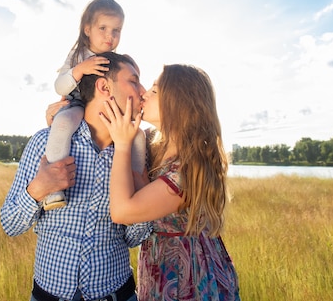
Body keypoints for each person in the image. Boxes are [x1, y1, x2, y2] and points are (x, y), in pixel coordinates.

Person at [0, 52, 151, 301]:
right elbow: (10, 225)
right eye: (134, 81)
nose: (143, 91)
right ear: (104, 86)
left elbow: (134, 239)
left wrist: (141, 199)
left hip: (118, 294)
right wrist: (38, 189)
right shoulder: (45, 143)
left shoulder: (137, 156)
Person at [99, 64, 241, 301]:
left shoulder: (189, 168)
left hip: (189, 277)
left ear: (178, 103)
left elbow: (123, 211)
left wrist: (122, 144)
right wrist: (67, 110)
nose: (144, 93)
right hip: (159, 267)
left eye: (155, 90)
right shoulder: (153, 144)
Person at [43, 0, 147, 210]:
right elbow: (59, 87)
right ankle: (53, 187)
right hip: (75, 105)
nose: (110, 36)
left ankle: (137, 186)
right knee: (62, 125)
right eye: (103, 28)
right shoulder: (78, 55)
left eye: (116, 30)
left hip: (103, 111)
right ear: (87, 29)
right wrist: (79, 70)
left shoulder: (117, 61)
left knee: (138, 134)